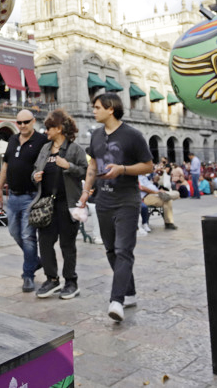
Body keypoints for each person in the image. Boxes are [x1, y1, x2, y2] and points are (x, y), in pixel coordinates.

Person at [79, 93, 154, 323]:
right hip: (103, 201)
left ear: (111, 109)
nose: (94, 110)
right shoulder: (97, 135)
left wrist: (122, 169)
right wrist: (85, 192)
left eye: (97, 107)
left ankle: (116, 300)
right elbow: (93, 164)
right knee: (111, 250)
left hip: (127, 201)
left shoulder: (132, 135)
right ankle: (129, 292)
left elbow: (148, 165)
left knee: (123, 250)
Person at [31, 109, 87, 300]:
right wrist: (35, 176)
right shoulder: (45, 149)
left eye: (49, 128)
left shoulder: (75, 149)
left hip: (67, 204)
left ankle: (71, 281)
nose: (46, 131)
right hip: (46, 204)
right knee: (45, 243)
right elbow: (35, 170)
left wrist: (68, 166)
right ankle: (52, 279)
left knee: (67, 245)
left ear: (60, 128)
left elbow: (87, 173)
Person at [0, 109, 48, 293]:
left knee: (27, 236)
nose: (23, 125)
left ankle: (28, 276)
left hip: (30, 196)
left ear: (33, 121)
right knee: (14, 232)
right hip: (13, 196)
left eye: (26, 122)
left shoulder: (42, 141)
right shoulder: (12, 139)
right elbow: (5, 166)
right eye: (19, 123)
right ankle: (35, 261)